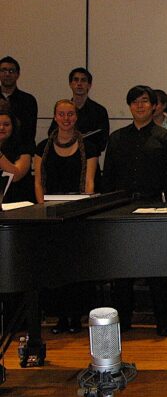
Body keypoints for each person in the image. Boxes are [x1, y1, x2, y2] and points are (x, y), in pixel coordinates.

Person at [102, 85, 167, 336]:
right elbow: (108, 180)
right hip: (123, 209)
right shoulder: (117, 139)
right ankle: (123, 323)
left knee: (157, 269)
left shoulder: (166, 138)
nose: (139, 106)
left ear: (154, 106)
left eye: (145, 101)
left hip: (155, 207)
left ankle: (163, 324)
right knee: (121, 270)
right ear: (129, 106)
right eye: (134, 102)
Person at [34, 99, 99, 333]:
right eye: (61, 114)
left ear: (76, 117)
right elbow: (38, 181)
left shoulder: (89, 148)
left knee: (77, 267)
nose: (66, 118)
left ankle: (75, 316)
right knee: (55, 268)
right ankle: (60, 317)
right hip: (51, 215)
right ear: (54, 117)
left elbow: (90, 182)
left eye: (70, 114)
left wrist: (83, 207)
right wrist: (42, 208)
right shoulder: (42, 147)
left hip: (76, 213)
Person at [49, 68, 110, 153]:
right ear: (70, 84)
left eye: (83, 80)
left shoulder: (99, 111)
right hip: (63, 156)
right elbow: (52, 135)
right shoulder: (62, 109)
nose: (79, 84)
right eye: (76, 80)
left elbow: (102, 143)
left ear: (89, 85)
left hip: (89, 158)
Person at [0, 56, 38, 147]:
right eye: (3, 70)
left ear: (18, 74)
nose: (7, 74)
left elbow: (30, 133)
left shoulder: (28, 100)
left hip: (20, 153)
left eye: (11, 71)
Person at [0, 108, 35, 203]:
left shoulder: (23, 146)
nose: (1, 128)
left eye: (6, 125)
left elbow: (15, 176)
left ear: (13, 126)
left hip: (18, 202)